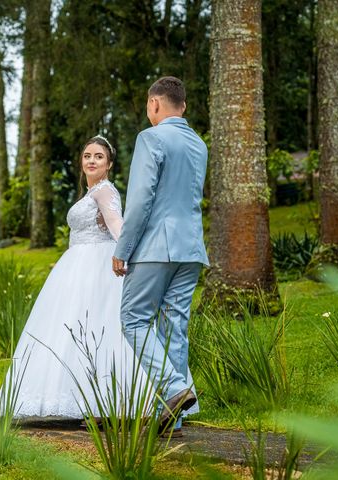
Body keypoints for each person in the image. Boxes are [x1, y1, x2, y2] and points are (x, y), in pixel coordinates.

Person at [7, 134, 198, 423]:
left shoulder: (104, 192)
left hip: (99, 265)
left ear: (109, 164)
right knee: (84, 328)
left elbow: (117, 225)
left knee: (104, 327)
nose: (92, 161)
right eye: (87, 156)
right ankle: (96, 402)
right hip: (78, 266)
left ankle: (118, 403)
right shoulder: (91, 192)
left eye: (98, 156)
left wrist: (129, 253)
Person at [112, 76, 209, 436]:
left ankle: (171, 389)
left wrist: (123, 248)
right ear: (182, 106)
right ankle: (175, 417)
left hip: (156, 247)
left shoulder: (150, 138)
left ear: (154, 104)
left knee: (133, 319)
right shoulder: (199, 144)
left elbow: (139, 200)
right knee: (175, 328)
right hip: (192, 248)